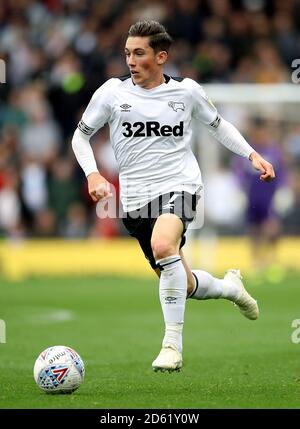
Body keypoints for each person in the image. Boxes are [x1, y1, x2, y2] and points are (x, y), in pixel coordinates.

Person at [71, 21, 275, 372]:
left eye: (139, 54)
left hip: (181, 186)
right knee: (182, 280)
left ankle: (172, 346)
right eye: (127, 54)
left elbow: (218, 125)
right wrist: (92, 174)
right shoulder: (111, 94)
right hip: (135, 201)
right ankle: (230, 288)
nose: (131, 61)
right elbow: (80, 137)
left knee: (164, 246)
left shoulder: (187, 92)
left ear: (161, 57)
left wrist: (251, 154)